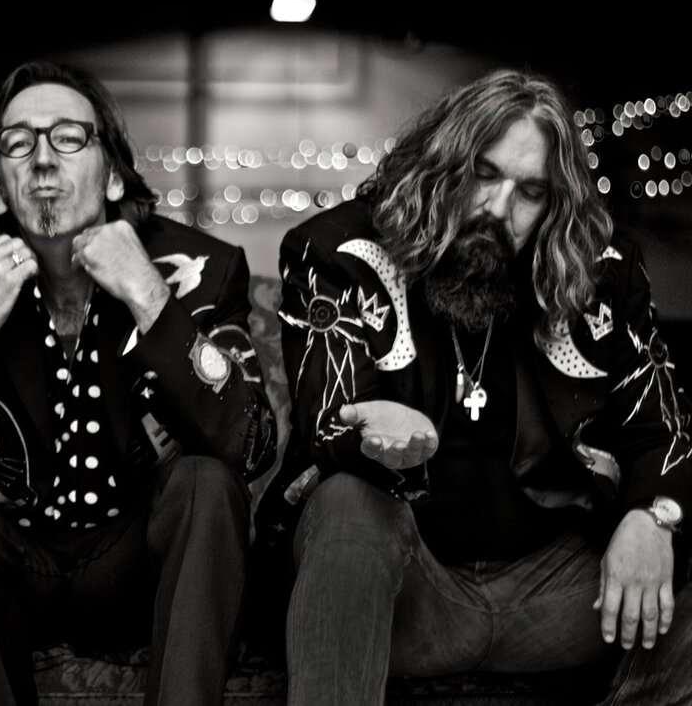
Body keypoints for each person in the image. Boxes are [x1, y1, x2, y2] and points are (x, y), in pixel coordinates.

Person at [252, 68, 692, 705]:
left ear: (553, 206)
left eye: (530, 192)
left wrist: (654, 518)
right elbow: (327, 423)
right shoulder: (339, 250)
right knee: (347, 502)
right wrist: (385, 440)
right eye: (484, 174)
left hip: (559, 596)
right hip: (414, 598)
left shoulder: (599, 272)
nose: (497, 208)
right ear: (443, 164)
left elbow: (666, 430)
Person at [0, 60, 278, 706]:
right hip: (13, 575)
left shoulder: (201, 270)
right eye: (19, 142)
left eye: (69, 137)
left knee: (206, 483)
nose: (43, 159)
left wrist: (153, 300)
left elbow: (252, 445)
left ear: (113, 174)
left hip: (141, 567)